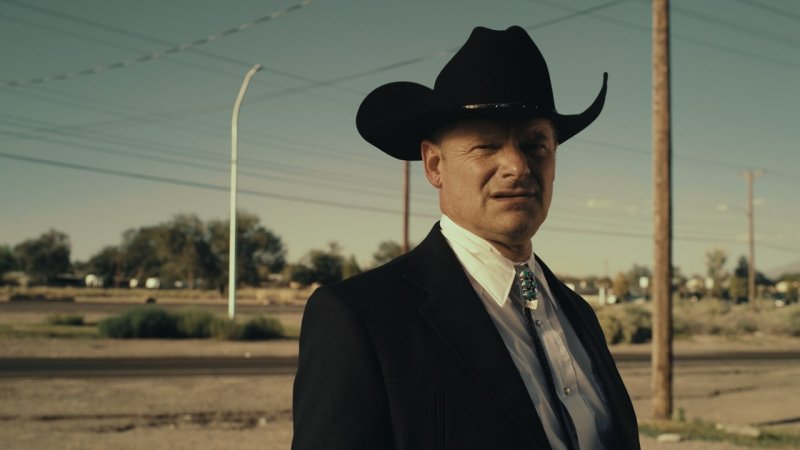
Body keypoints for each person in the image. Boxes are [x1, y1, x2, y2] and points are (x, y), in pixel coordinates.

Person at [292, 26, 640, 450]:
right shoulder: (359, 320)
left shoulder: (578, 312)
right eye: (486, 146)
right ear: (434, 165)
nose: (517, 166)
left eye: (536, 145)